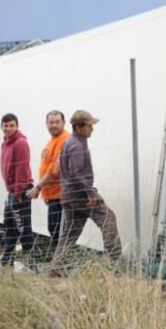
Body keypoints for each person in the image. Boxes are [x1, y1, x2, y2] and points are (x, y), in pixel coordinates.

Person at [50, 110, 121, 276]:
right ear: (79, 127)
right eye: (90, 126)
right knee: (108, 218)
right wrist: (90, 193)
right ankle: (115, 264)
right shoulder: (76, 146)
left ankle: (56, 269)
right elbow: (76, 173)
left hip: (69, 196)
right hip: (81, 196)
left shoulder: (70, 142)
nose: (92, 129)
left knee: (69, 234)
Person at [0, 113, 36, 270]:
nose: (8, 128)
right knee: (10, 227)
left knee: (24, 228)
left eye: (12, 125)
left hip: (21, 192)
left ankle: (32, 265)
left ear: (17, 126)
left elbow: (22, 168)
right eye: (5, 125)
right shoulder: (5, 143)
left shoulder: (20, 143)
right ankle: (7, 260)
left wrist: (18, 193)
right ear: (1, 127)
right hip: (11, 192)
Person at [28, 110, 70, 260]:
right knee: (54, 229)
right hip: (52, 196)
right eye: (51, 122)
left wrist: (38, 187)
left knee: (59, 231)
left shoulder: (65, 139)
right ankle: (58, 264)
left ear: (64, 123)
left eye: (57, 122)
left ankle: (60, 265)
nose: (53, 125)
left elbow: (55, 171)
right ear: (46, 124)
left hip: (61, 196)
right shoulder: (51, 141)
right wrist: (46, 193)